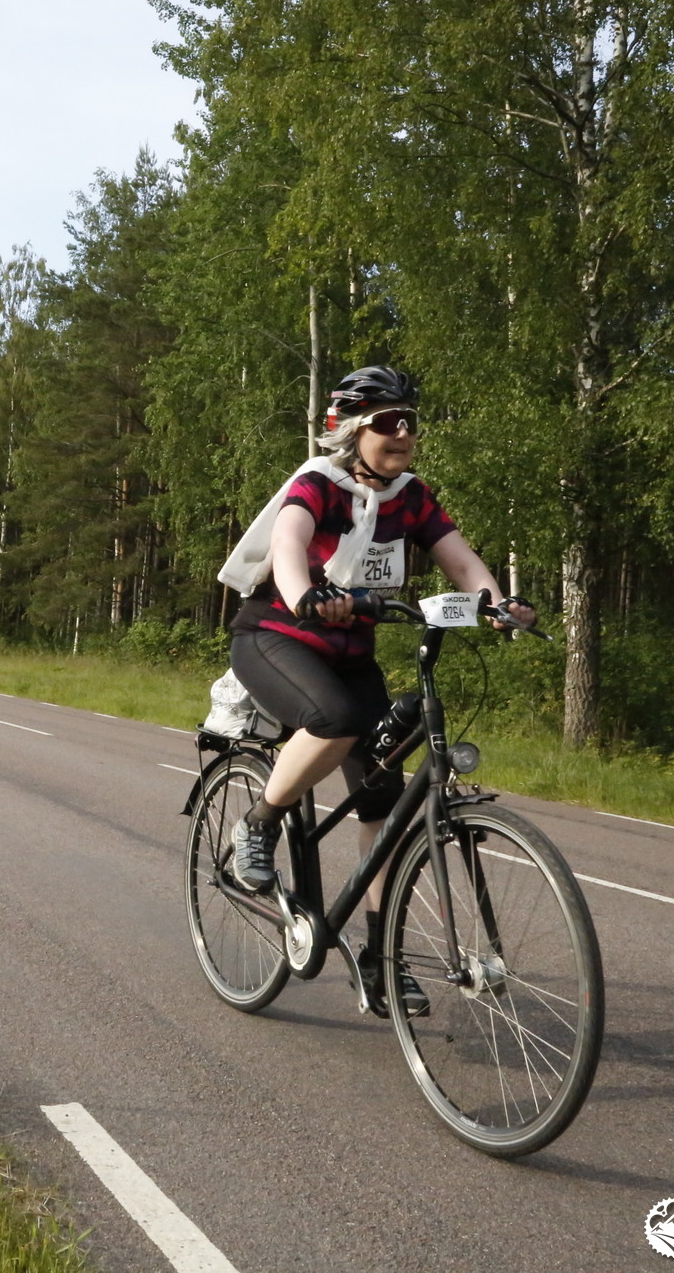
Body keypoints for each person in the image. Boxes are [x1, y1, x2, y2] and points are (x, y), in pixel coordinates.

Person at [219, 365, 537, 1016]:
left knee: (384, 804)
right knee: (334, 719)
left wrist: (497, 604)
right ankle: (258, 825)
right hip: (276, 638)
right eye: (389, 422)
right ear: (354, 432)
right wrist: (304, 595)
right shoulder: (318, 484)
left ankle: (379, 959)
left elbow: (461, 560)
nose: (404, 434)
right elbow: (290, 543)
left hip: (351, 654)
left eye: (411, 423)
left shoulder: (410, 498)